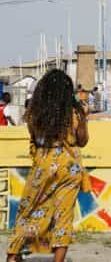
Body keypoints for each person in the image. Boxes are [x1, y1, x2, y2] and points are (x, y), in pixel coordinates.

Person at [7, 69, 88, 262]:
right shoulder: (75, 113)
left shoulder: (35, 113)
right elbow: (82, 141)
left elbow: (34, 138)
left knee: (28, 211)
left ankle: (13, 256)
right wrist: (84, 118)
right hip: (69, 168)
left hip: (43, 166)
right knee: (63, 217)